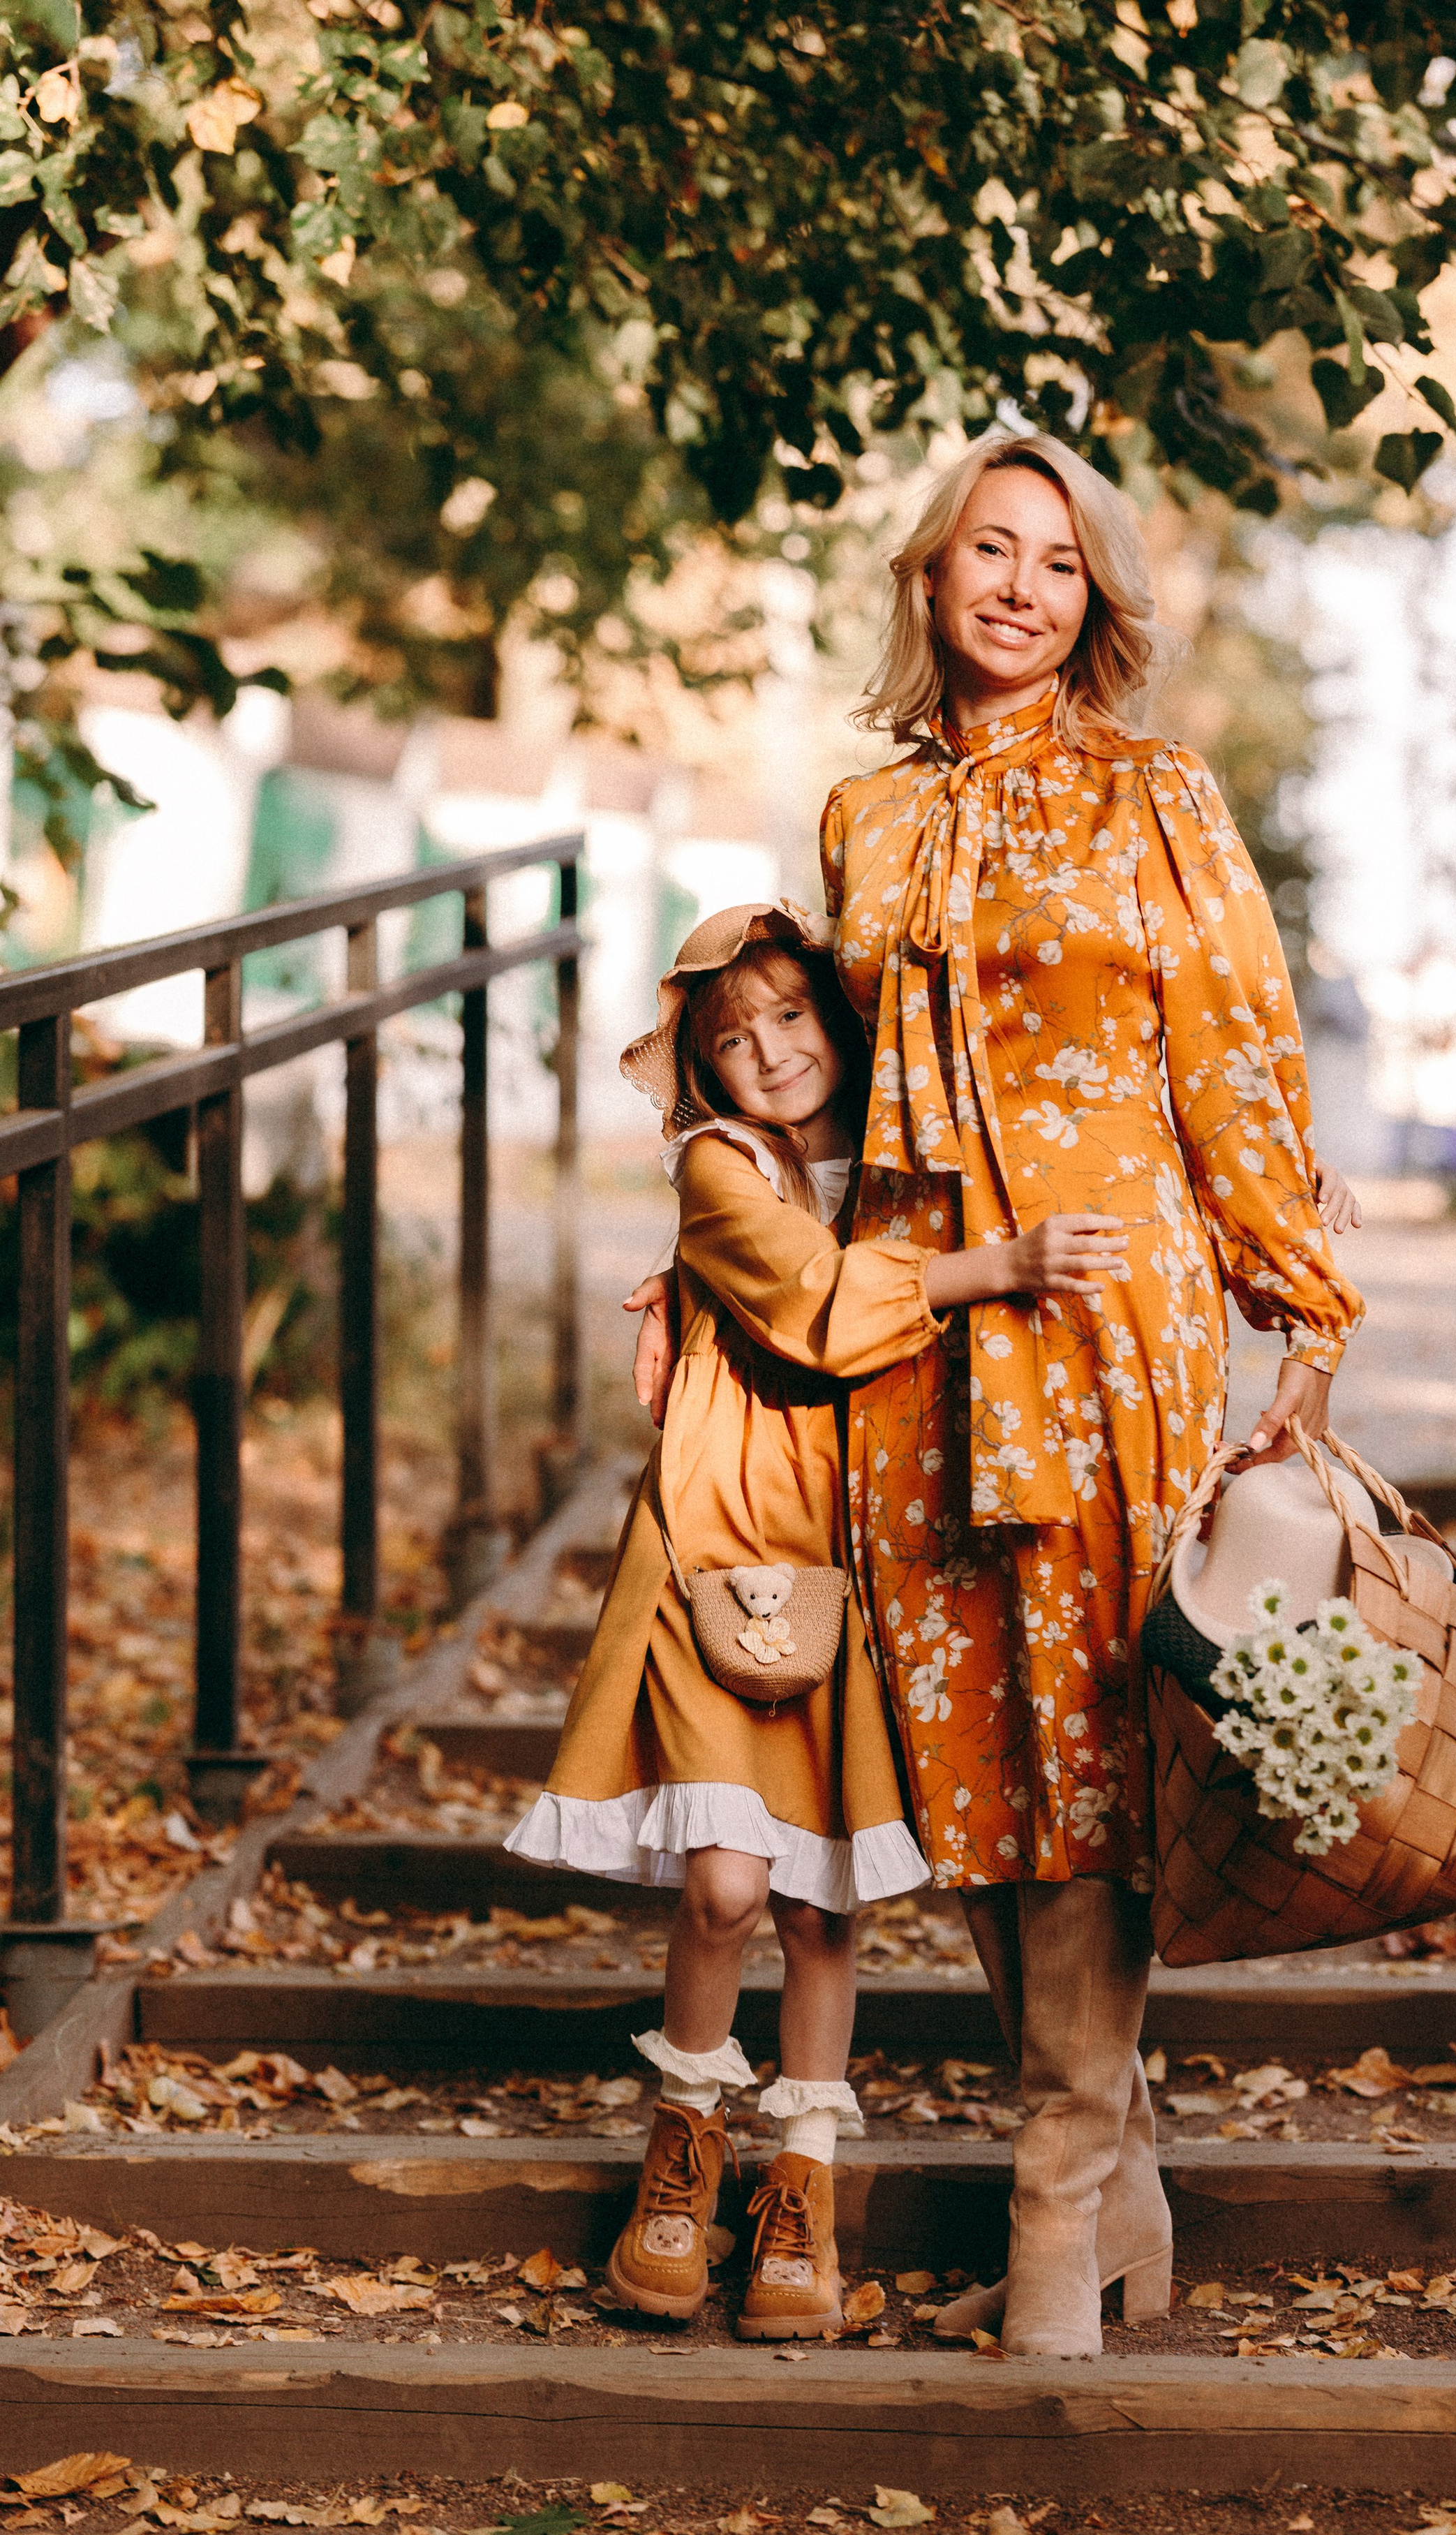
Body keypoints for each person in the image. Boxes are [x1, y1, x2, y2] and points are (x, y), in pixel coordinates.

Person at [818, 429, 1365, 2358]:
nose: (1021, 587)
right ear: (931, 577)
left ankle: (1055, 2210)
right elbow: (809, 1082)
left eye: (1059, 562)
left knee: (1092, 1754)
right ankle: (1114, 2174)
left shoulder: (1160, 798)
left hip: (1115, 1330)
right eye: (990, 551)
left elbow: (1237, 1055)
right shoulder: (862, 823)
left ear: (1099, 601)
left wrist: (1296, 1303)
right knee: (965, 1763)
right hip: (913, 1342)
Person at [506, 901, 1134, 2339]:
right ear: (700, 1068)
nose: (768, 1051)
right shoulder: (722, 1169)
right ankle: (681, 2157)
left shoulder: (914, 1168)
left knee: (818, 1902)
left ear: (838, 1024)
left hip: (871, 1555)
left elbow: (1099, 1120)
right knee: (725, 1885)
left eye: (790, 1017)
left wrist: (1296, 1193)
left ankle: (801, 2192)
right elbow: (813, 1303)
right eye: (731, 1037)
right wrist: (999, 1270)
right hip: (728, 1551)